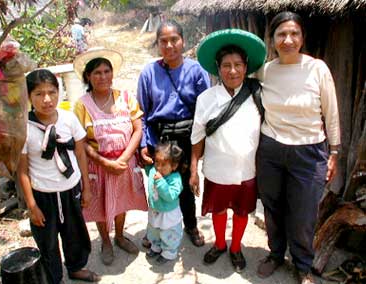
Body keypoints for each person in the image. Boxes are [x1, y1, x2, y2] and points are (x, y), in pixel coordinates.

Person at [255, 11, 341, 284]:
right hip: (270, 148)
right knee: (272, 206)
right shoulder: (266, 70)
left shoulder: (317, 68)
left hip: (309, 151)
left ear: (303, 38)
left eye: (294, 34)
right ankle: (276, 253)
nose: (288, 40)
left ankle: (303, 265)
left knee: (303, 213)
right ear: (272, 39)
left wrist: (335, 152)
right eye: (281, 34)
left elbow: (332, 112)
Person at [190, 29, 266, 272]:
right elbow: (197, 136)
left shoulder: (258, 94)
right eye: (226, 65)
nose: (232, 71)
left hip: (247, 169)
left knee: (242, 211)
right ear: (217, 68)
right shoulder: (206, 98)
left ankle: (236, 248)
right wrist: (193, 169)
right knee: (219, 209)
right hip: (216, 169)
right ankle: (221, 244)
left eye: (238, 65)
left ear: (246, 66)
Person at [17, 69, 100, 283]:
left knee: (75, 234)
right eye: (39, 94)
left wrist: (86, 188)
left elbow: (80, 153)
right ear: (28, 97)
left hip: (70, 189)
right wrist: (32, 205)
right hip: (42, 194)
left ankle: (76, 268)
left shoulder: (68, 118)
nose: (47, 99)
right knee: (47, 241)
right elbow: (22, 170)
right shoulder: (24, 128)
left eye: (52, 92)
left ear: (59, 92)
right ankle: (55, 277)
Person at [137, 20, 211, 247]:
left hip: (187, 137)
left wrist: (202, 144)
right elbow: (141, 112)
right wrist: (142, 143)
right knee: (158, 185)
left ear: (183, 41)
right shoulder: (149, 72)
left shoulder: (196, 70)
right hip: (159, 138)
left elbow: (205, 109)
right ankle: (155, 230)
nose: (169, 45)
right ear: (157, 44)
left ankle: (190, 225)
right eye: (163, 41)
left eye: (174, 40)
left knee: (186, 184)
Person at [73, 48, 147, 265]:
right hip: (98, 165)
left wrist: (124, 158)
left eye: (107, 71)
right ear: (88, 76)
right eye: (97, 72)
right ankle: (105, 240)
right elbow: (81, 141)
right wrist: (104, 162)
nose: (103, 76)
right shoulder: (82, 105)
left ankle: (120, 236)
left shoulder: (125, 97)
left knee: (122, 201)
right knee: (100, 204)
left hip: (124, 162)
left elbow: (138, 129)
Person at [145, 141, 184, 265]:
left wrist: (161, 182)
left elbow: (170, 196)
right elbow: (148, 171)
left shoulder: (175, 179)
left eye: (163, 164)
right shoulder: (153, 170)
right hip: (155, 209)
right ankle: (156, 246)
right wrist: (146, 163)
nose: (159, 167)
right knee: (154, 230)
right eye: (157, 162)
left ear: (174, 166)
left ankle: (168, 252)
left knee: (169, 232)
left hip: (168, 213)